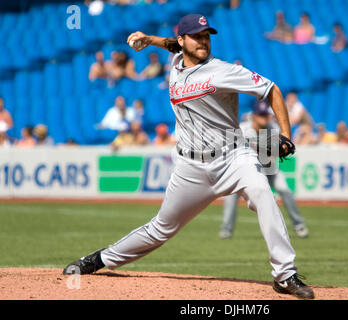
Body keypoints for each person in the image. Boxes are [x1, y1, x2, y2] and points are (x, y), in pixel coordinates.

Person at [63, 13, 314, 300]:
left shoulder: (224, 71)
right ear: (183, 41)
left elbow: (271, 90)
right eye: (196, 36)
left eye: (206, 35)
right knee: (160, 229)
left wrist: (285, 134)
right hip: (190, 166)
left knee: (262, 192)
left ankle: (285, 275)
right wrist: (150, 39)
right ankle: (99, 260)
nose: (203, 41)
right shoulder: (175, 62)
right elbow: (173, 46)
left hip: (233, 157)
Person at [219, 100, 309, 240]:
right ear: (254, 116)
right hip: (244, 170)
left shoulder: (273, 129)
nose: (264, 118)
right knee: (231, 196)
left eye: (266, 115)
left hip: (268, 169)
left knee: (284, 189)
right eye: (261, 115)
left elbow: (272, 157)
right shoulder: (241, 129)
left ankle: (299, 225)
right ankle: (226, 229)